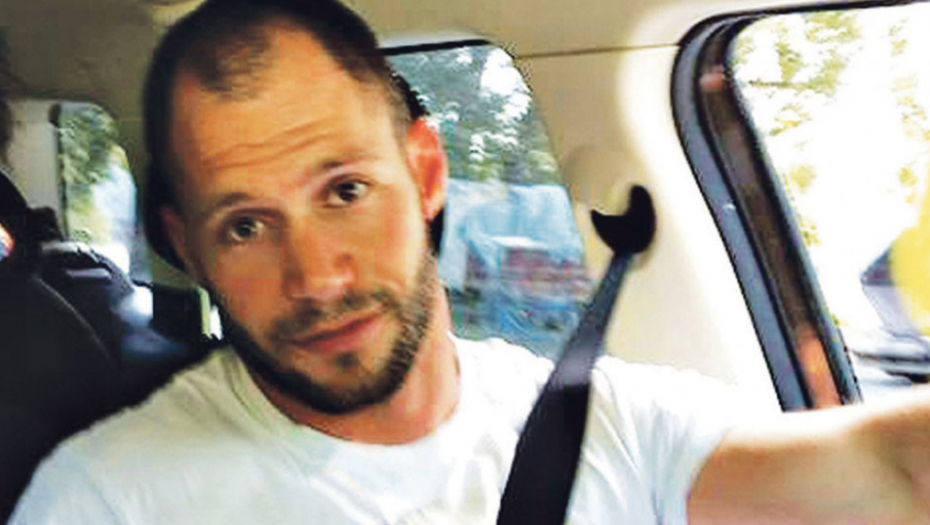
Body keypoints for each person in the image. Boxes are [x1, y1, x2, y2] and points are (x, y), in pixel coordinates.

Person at [11, 0, 930, 523]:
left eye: (345, 190)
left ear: (425, 173)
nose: (318, 276)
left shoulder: (617, 425)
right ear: (187, 248)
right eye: (246, 225)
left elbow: (891, 469)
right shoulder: (105, 498)